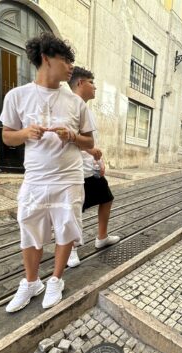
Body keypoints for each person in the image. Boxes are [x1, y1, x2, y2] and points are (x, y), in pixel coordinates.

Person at [0, 33, 95, 312]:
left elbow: (90, 142)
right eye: (65, 60)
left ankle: (55, 279)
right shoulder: (17, 96)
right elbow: (7, 137)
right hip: (36, 178)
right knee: (29, 228)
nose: (70, 66)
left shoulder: (76, 103)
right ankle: (31, 283)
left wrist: (73, 136)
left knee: (66, 229)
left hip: (69, 179)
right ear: (45, 58)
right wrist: (25, 132)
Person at [67, 67, 120, 268]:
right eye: (91, 81)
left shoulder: (86, 109)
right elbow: (69, 137)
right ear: (80, 83)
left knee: (107, 199)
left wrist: (99, 161)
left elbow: (90, 140)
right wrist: (92, 152)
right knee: (74, 210)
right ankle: (71, 248)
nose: (95, 86)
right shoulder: (71, 106)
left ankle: (101, 237)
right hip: (76, 170)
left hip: (91, 169)